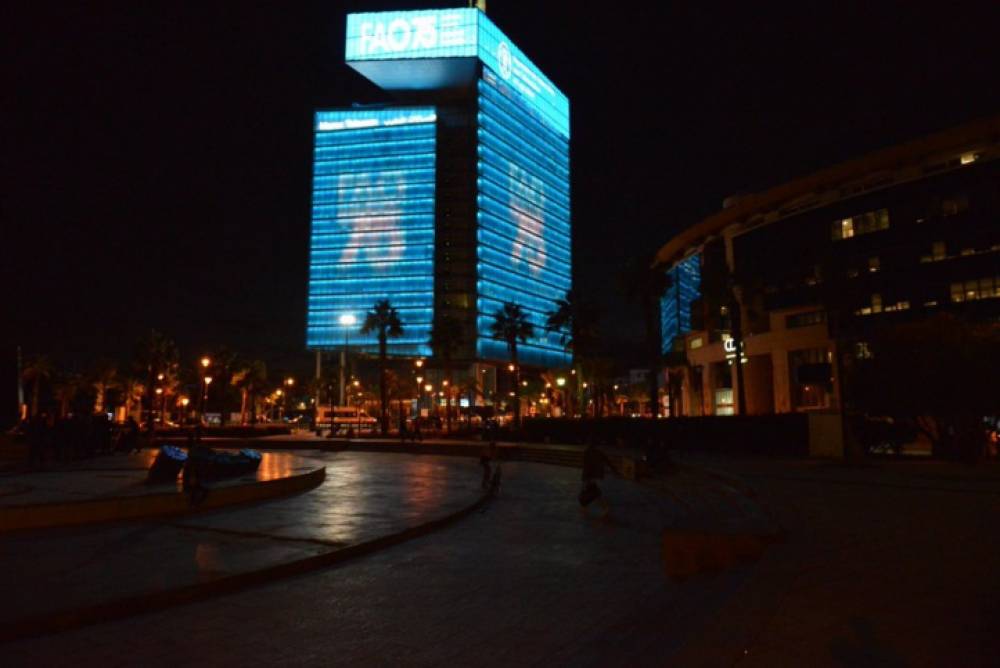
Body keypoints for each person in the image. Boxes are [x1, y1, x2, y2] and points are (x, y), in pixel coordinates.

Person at [579, 441, 619, 519]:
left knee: (592, 494)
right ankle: (586, 510)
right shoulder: (597, 453)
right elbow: (608, 462)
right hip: (593, 477)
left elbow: (585, 465)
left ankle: (604, 509)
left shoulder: (588, 453)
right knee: (591, 494)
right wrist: (615, 470)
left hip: (590, 477)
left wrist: (586, 477)